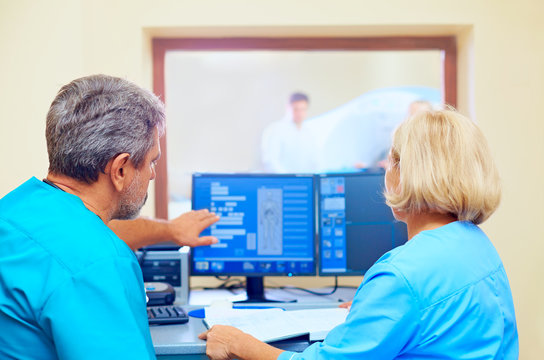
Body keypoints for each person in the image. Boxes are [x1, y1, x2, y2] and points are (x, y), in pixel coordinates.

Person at [199, 109, 519, 359]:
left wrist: (240, 343)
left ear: (407, 175)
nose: (385, 172)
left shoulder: (401, 275)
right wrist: (376, 307)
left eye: (390, 162)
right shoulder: (477, 245)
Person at [0, 74, 216, 359]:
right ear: (120, 170)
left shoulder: (14, 209)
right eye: (152, 161)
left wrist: (169, 230)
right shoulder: (101, 264)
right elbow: (84, 258)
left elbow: (66, 249)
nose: (152, 174)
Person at [261, 92, 318, 173]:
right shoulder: (275, 130)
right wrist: (289, 180)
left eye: (303, 109)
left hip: (305, 181)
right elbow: (271, 162)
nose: (299, 113)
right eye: (296, 109)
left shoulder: (309, 133)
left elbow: (314, 162)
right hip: (283, 182)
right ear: (288, 108)